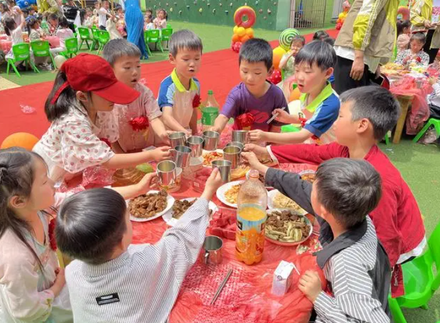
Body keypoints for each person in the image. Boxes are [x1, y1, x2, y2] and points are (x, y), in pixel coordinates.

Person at [244, 86, 426, 297]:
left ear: (361, 125)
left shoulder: (378, 182)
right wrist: (267, 151)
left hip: (403, 240)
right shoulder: (347, 149)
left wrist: (377, 283)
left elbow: (387, 240)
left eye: (340, 116)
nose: (334, 122)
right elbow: (312, 152)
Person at [55, 169, 222, 323]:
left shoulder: (72, 272)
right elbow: (181, 240)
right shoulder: (144, 262)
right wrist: (207, 194)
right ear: (121, 241)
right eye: (128, 219)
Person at [243, 156, 391, 322]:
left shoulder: (346, 264)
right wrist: (263, 169)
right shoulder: (353, 215)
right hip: (359, 295)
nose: (309, 187)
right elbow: (301, 189)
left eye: (313, 186)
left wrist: (318, 297)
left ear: (322, 209)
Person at [32, 53, 170, 183]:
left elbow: (110, 140)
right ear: (82, 97)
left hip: (73, 166)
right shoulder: (72, 121)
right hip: (49, 169)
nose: (113, 98)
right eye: (107, 93)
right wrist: (151, 155)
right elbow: (108, 160)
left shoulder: (101, 108)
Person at [0, 147, 73, 323]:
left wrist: (137, 189)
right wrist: (57, 286)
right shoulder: (15, 257)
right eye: (43, 181)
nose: (52, 183)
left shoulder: (36, 210)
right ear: (18, 201)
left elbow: (74, 199)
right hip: (38, 313)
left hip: (49, 288)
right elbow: (26, 313)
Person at [249, 40, 339, 145]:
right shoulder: (308, 92)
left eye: (307, 72)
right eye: (297, 70)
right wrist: (289, 118)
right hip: (313, 144)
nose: (299, 77)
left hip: (327, 155)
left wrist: (265, 136)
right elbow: (310, 119)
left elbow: (302, 136)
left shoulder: (329, 103)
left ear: (327, 73)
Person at [98, 39, 169, 152]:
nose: (135, 72)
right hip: (123, 152)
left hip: (147, 148)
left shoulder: (144, 93)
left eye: (138, 66)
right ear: (110, 69)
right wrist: (122, 156)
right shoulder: (105, 99)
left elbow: (154, 117)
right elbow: (109, 135)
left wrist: (162, 133)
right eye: (127, 67)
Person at [211, 38, 289, 134]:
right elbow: (223, 116)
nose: (250, 78)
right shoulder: (237, 94)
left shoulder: (276, 95)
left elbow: (277, 126)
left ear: (270, 71)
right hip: (239, 142)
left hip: (266, 142)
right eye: (245, 71)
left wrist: (268, 145)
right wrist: (217, 128)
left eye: (257, 73)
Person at [333, 0, 398, 94]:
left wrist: (376, 63)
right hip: (353, 55)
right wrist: (358, 57)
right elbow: (365, 18)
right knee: (349, 103)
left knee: (359, 104)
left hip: (362, 55)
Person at [158, 29, 203, 135]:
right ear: (172, 59)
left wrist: (195, 133)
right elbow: (166, 117)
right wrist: (184, 132)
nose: (192, 64)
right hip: (168, 133)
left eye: (197, 58)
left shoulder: (196, 84)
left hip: (185, 131)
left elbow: (193, 111)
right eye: (186, 59)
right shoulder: (168, 86)